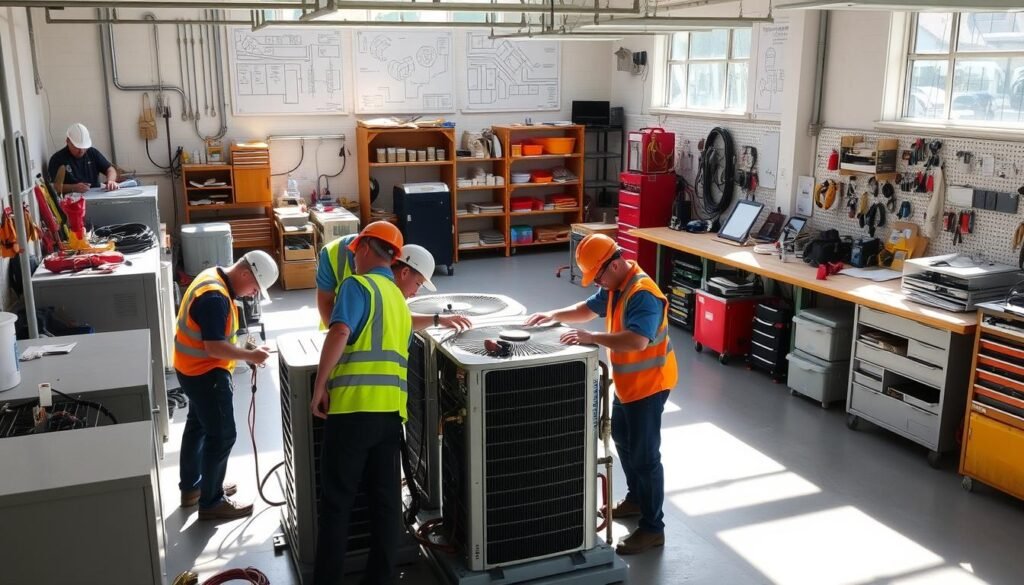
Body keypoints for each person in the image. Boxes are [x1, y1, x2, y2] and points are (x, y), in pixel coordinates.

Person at [526, 234, 677, 555]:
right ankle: (636, 499)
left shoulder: (642, 294)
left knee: (646, 457)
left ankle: (653, 529)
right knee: (623, 440)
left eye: (599, 276)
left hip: (649, 385)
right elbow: (587, 308)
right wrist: (554, 315)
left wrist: (590, 337)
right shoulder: (615, 285)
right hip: (627, 383)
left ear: (616, 263)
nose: (599, 283)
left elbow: (637, 341)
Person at [308, 225, 412, 584]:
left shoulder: (357, 285)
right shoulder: (399, 298)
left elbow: (339, 331)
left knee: (337, 504)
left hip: (352, 410)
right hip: (390, 415)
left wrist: (320, 386)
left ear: (367, 247)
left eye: (354, 250)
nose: (351, 256)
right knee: (385, 505)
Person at [174, 250, 279, 521]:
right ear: (245, 273)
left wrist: (246, 349)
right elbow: (214, 347)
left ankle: (194, 487)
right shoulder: (214, 297)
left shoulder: (213, 278)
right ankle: (211, 501)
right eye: (254, 287)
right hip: (206, 374)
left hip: (189, 369)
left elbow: (213, 335)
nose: (252, 293)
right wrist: (251, 356)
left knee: (198, 426)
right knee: (222, 435)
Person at [316, 222, 470, 331]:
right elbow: (326, 304)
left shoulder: (390, 284)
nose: (415, 293)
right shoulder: (334, 256)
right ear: (404, 273)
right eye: (418, 284)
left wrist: (438, 319)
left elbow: (399, 320)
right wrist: (339, 336)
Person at [48, 123, 119, 193]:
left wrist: (111, 181)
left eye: (84, 148)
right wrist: (73, 188)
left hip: (95, 195)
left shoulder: (92, 152)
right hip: (72, 200)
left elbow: (110, 169)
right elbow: (55, 187)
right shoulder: (57, 159)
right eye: (77, 147)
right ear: (68, 141)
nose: (81, 151)